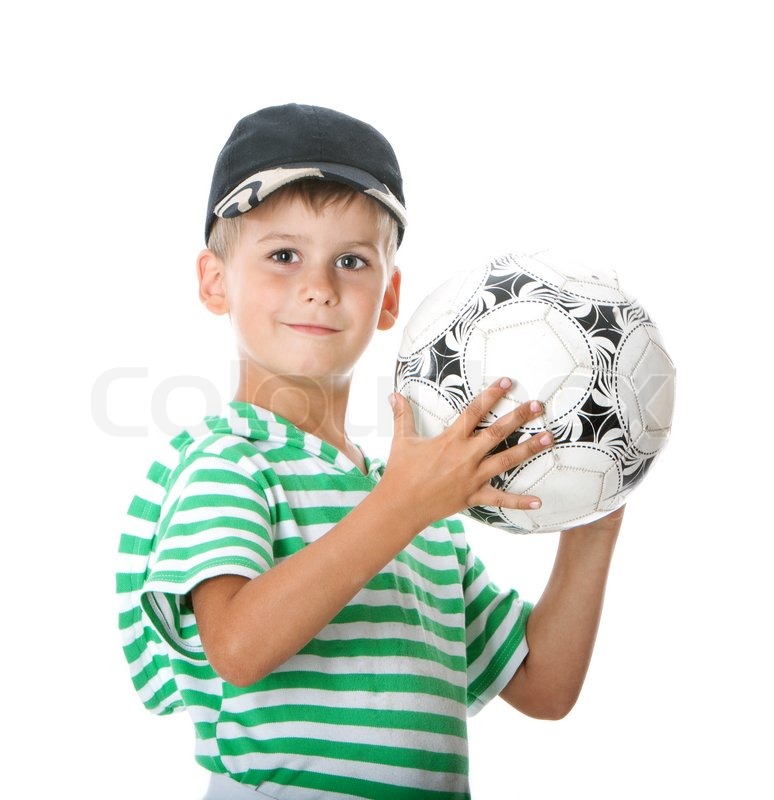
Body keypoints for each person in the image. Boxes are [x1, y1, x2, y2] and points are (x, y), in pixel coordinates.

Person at [117, 103, 624, 799]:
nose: (319, 287)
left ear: (389, 297)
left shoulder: (418, 506)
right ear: (214, 281)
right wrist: (402, 507)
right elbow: (237, 647)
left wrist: (597, 510)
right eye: (283, 255)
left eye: (351, 261)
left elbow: (545, 685)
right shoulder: (228, 459)